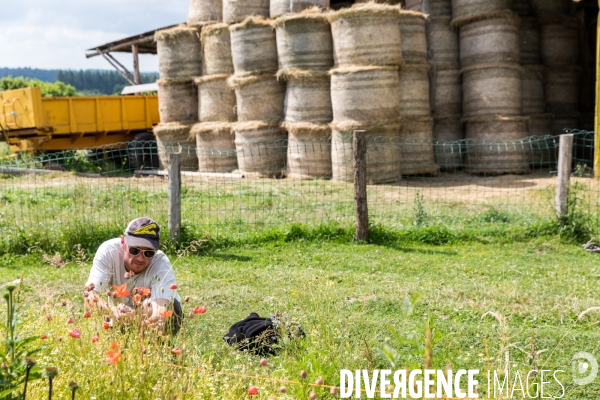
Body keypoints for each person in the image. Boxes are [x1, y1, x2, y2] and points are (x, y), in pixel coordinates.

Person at [84, 217, 182, 333]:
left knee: (171, 307)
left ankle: (155, 344)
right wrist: (113, 310)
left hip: (143, 315)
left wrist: (136, 319)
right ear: (123, 243)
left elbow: (161, 310)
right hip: (117, 316)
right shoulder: (108, 252)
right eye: (134, 250)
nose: (140, 258)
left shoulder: (161, 263)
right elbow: (89, 297)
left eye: (148, 252)